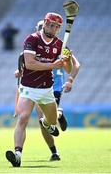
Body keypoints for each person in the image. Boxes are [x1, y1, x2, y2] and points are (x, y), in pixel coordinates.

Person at [5, 12, 73, 167]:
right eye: (50, 24)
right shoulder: (32, 39)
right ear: (45, 23)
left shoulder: (59, 45)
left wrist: (66, 60)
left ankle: (48, 123)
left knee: (52, 121)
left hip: (47, 89)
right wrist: (53, 65)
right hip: (28, 87)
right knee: (23, 118)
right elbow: (30, 64)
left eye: (56, 26)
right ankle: (17, 155)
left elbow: (68, 69)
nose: (53, 28)